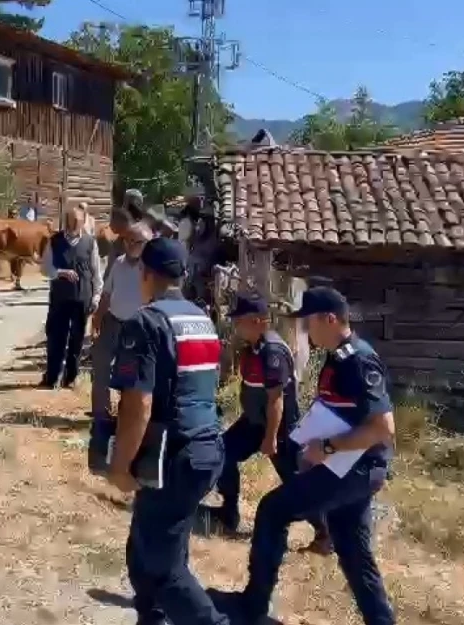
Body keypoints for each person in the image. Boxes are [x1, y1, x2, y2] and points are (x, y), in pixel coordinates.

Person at [234, 286, 396, 625]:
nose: (306, 331)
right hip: (349, 467)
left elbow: (383, 428)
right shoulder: (338, 357)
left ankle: (253, 606)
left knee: (272, 510)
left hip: (354, 467)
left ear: (330, 318)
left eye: (309, 323)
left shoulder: (358, 359)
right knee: (353, 551)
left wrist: (327, 448)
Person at [101, 237, 230, 625]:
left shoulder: (146, 321)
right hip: (207, 447)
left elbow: (137, 403)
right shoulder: (201, 319)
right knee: (146, 551)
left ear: (145, 273)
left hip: (174, 455)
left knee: (164, 569)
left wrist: (120, 466)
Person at [214, 293, 332, 553]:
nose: (236, 326)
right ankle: (228, 512)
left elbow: (276, 401)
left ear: (257, 321)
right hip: (254, 423)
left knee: (296, 483)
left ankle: (326, 533)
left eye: (240, 320)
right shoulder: (252, 349)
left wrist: (270, 438)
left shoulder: (272, 352)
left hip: (280, 430)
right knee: (222, 452)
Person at [90, 218, 151, 421]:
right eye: (128, 241)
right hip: (113, 321)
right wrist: (97, 318)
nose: (131, 245)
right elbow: (107, 293)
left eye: (137, 242)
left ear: (147, 243)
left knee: (132, 372)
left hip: (139, 328)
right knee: (101, 365)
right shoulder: (118, 263)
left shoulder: (152, 269)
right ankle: (101, 412)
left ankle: (129, 413)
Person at [39, 203, 103, 389]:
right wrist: (60, 272)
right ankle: (52, 377)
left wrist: (96, 297)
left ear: (83, 222)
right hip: (60, 298)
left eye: (78, 221)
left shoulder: (90, 243)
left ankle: (71, 377)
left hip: (82, 298)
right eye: (71, 220)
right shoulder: (55, 241)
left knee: (76, 339)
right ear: (66, 220)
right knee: (55, 338)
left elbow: (96, 272)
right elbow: (45, 268)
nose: (74, 224)